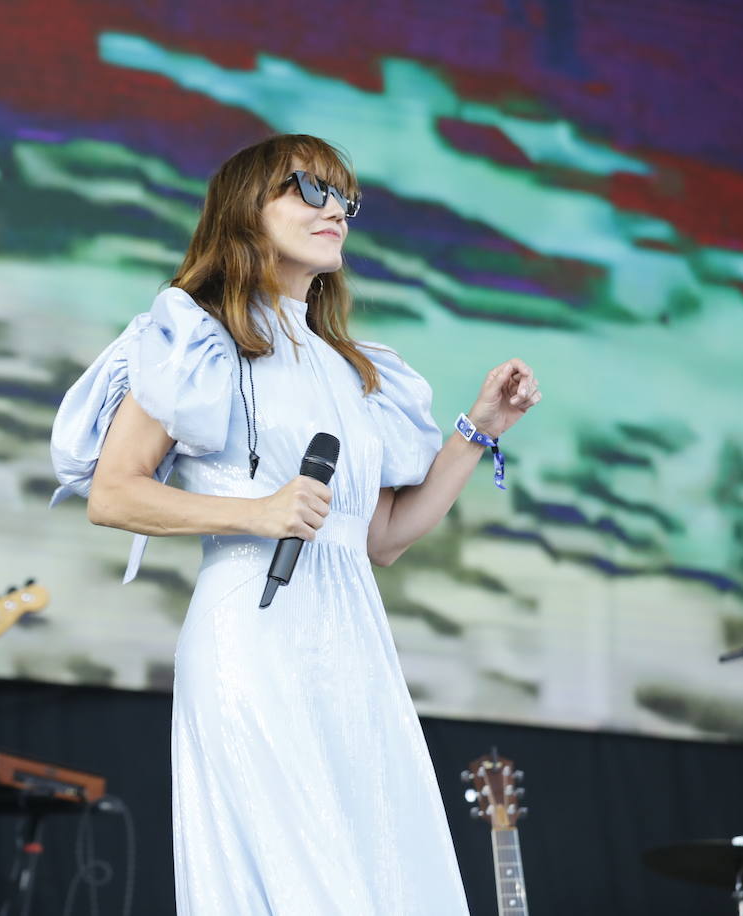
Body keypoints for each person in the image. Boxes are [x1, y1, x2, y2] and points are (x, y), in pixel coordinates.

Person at [50, 134, 541, 914]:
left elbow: (380, 538)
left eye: (344, 197)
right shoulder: (197, 339)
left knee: (380, 871)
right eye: (307, 191)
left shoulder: (357, 370)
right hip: (252, 630)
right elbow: (114, 493)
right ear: (248, 208)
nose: (334, 211)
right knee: (300, 877)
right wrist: (258, 512)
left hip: (354, 644)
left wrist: (478, 432)